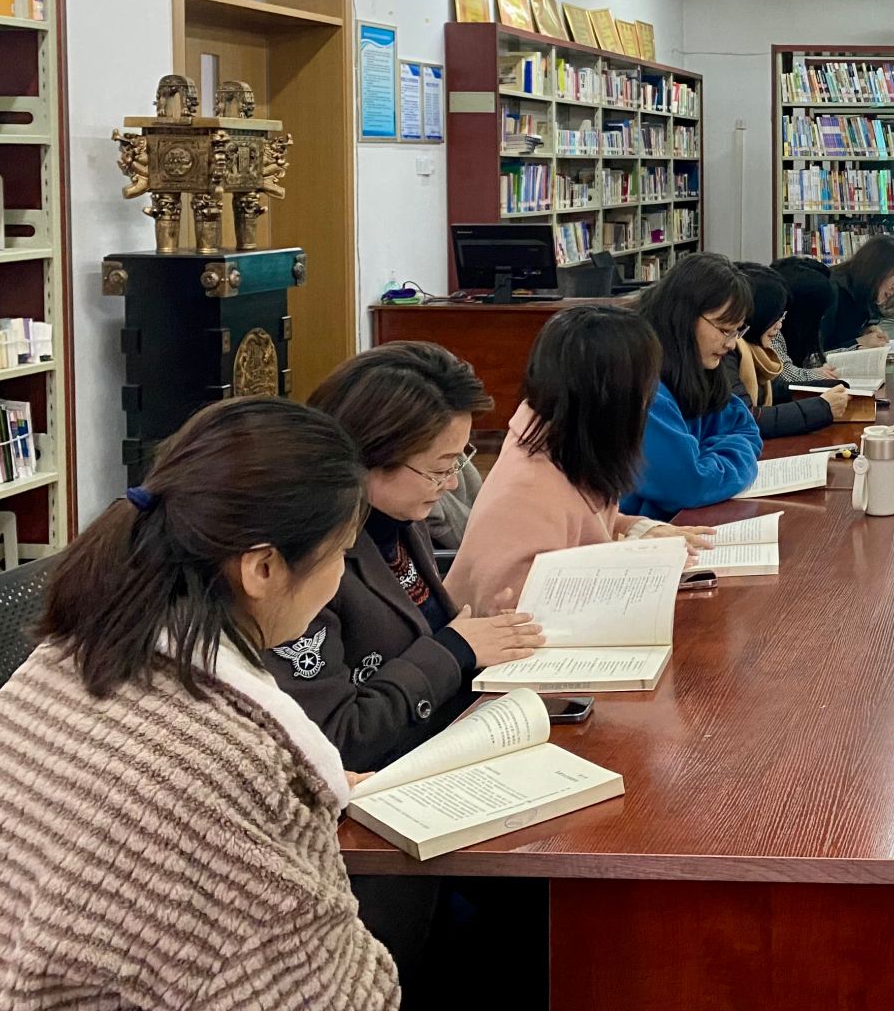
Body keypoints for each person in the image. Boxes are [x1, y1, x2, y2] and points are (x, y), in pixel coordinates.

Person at [0, 398, 399, 1009]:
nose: (341, 574)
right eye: (340, 553)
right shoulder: (220, 762)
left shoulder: (61, 661)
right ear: (262, 568)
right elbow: (342, 998)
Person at [276, 342, 545, 769]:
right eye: (439, 469)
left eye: (457, 463)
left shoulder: (397, 516)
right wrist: (456, 649)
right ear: (368, 457)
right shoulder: (306, 562)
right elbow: (337, 740)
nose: (452, 485)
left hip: (457, 736)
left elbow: (419, 629)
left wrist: (479, 630)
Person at [448, 303, 711, 614]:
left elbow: (582, 526)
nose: (648, 401)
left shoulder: (563, 442)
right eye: (644, 387)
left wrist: (640, 531)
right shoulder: (530, 486)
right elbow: (518, 610)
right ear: (612, 397)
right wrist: (641, 566)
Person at [623, 252, 764, 521]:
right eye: (724, 330)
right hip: (633, 535)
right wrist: (733, 456)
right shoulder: (640, 383)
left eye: (737, 331)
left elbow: (745, 427)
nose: (731, 344)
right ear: (684, 317)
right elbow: (688, 486)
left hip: (676, 523)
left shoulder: (697, 367)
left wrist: (707, 460)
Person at [735, 261, 849, 437]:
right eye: (777, 316)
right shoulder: (734, 351)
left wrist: (828, 386)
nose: (780, 325)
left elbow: (778, 388)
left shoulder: (758, 347)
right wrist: (822, 407)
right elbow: (747, 420)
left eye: (783, 316)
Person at [823, 234, 894, 351]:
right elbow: (812, 356)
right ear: (877, 268)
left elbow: (838, 339)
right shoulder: (832, 292)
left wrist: (862, 332)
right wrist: (858, 343)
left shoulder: (859, 297)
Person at [771, 254, 837, 377]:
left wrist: (855, 350)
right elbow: (783, 373)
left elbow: (813, 357)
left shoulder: (794, 328)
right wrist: (817, 374)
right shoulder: (772, 329)